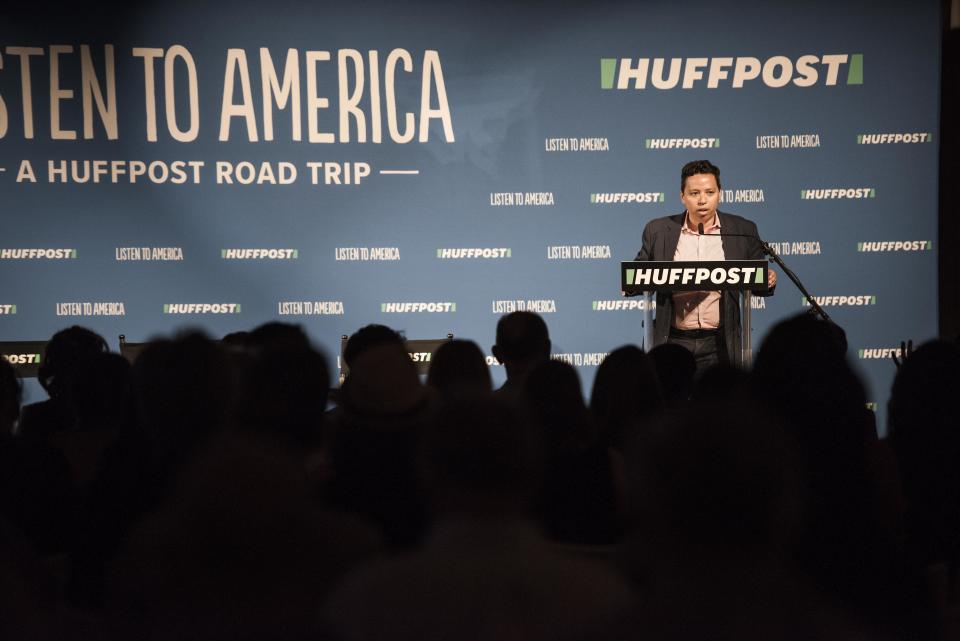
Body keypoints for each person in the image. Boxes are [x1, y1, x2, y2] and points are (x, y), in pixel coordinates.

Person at [634, 160, 776, 372]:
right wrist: (630, 283)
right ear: (682, 196)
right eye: (694, 193)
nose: (702, 200)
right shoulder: (658, 230)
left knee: (718, 404)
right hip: (673, 340)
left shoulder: (743, 230)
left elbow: (757, 283)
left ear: (720, 193)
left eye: (709, 192)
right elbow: (639, 272)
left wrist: (767, 278)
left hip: (720, 343)